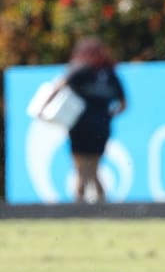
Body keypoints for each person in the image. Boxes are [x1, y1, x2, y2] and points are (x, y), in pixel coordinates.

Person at [44, 38, 127, 203]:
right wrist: (107, 116)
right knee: (94, 169)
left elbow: (59, 85)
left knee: (81, 170)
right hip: (101, 126)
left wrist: (43, 108)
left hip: (80, 125)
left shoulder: (81, 69)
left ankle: (79, 208)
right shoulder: (110, 74)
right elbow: (123, 104)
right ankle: (103, 207)